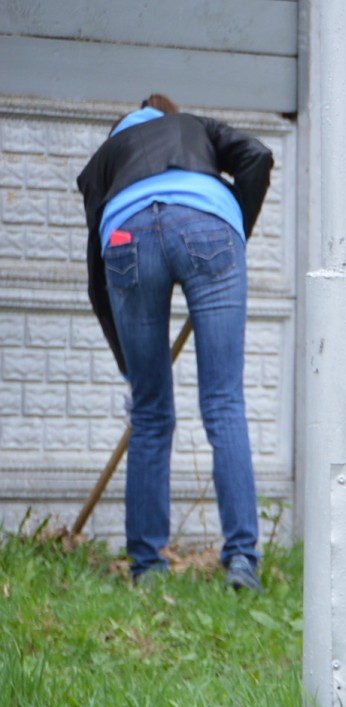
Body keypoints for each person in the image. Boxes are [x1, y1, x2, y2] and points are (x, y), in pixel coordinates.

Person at [75, 93, 274, 591]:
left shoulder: (107, 156)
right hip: (208, 226)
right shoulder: (192, 123)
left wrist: (130, 364)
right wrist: (233, 234)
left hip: (127, 239)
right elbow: (257, 156)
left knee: (150, 412)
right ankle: (242, 561)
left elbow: (98, 274)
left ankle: (146, 568)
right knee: (224, 402)